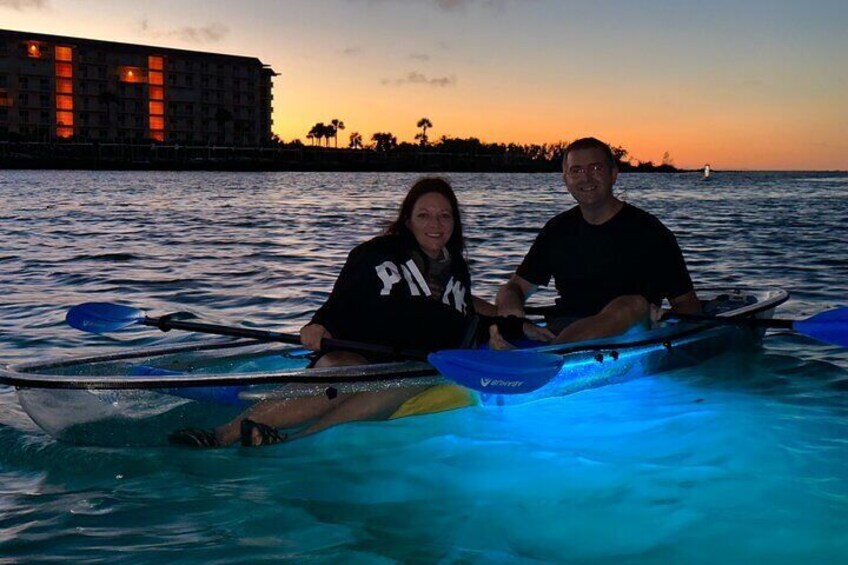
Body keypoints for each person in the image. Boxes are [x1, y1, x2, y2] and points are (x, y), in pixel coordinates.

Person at [170, 177, 498, 448]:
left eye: (445, 216)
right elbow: (340, 301)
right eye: (424, 215)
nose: (435, 224)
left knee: (391, 383)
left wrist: (503, 325)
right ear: (407, 219)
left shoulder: (457, 273)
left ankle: (292, 442)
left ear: (455, 222)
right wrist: (319, 324)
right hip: (359, 355)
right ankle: (221, 435)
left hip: (411, 369)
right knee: (345, 373)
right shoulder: (374, 253)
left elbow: (466, 310)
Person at [491, 137, 701, 349]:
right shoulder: (557, 229)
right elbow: (517, 285)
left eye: (596, 168)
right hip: (564, 328)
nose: (586, 178)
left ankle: (546, 359)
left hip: (630, 335)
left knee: (632, 304)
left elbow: (685, 303)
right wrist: (511, 304)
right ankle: (539, 353)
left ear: (613, 174)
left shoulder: (651, 232)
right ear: (566, 179)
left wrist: (670, 326)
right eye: (577, 171)